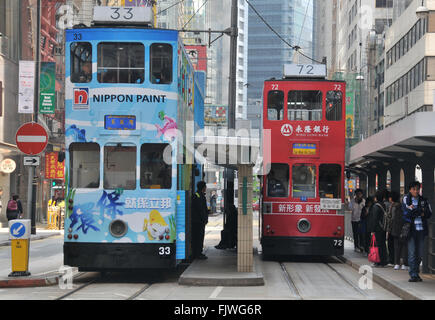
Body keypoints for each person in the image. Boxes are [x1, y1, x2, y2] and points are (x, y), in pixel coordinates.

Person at [402, 181, 432, 282]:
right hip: (411, 230)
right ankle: (413, 274)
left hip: (421, 231)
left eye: (417, 189)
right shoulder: (406, 199)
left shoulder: (424, 200)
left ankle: (416, 272)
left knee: (420, 254)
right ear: (410, 190)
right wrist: (420, 211)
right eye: (414, 189)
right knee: (412, 253)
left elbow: (429, 213)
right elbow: (407, 213)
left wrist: (417, 211)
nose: (416, 191)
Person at [367, 190, 388, 267]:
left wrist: (372, 230)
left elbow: (374, 219)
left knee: (378, 245)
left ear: (376, 198)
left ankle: (379, 261)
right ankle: (384, 260)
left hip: (378, 228)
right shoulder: (384, 205)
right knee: (383, 244)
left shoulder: (376, 206)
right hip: (383, 227)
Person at [389, 191, 408, 270]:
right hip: (403, 228)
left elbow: (392, 218)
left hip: (395, 228)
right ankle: (404, 264)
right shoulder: (404, 207)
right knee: (404, 246)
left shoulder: (394, 207)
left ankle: (397, 263)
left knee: (396, 246)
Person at [191, 181, 209, 260]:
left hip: (196, 220)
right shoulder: (199, 196)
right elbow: (201, 209)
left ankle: (196, 253)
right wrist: (205, 219)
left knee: (196, 237)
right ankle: (198, 253)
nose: (206, 188)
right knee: (199, 237)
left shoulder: (197, 195)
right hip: (199, 221)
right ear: (203, 187)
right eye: (205, 186)